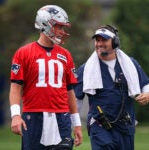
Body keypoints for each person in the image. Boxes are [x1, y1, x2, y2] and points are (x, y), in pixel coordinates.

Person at [9, 5, 82, 150]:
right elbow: (16, 88)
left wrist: (77, 123)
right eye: (58, 27)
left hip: (62, 117)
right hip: (34, 116)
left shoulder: (66, 55)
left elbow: (70, 92)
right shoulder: (24, 53)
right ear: (44, 24)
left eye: (63, 27)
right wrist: (15, 115)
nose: (62, 32)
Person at [74, 24, 149, 150]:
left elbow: (146, 84)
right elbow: (76, 99)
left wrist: (147, 94)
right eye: (97, 40)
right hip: (100, 127)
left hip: (125, 126)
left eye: (104, 40)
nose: (99, 43)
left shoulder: (131, 64)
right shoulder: (86, 69)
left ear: (115, 42)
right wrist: (75, 125)